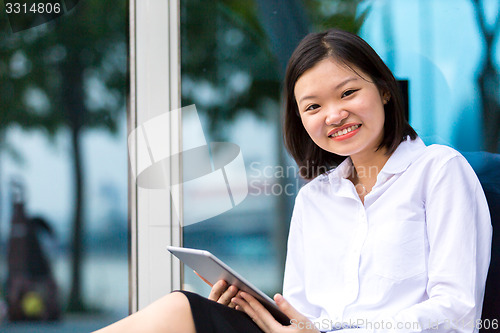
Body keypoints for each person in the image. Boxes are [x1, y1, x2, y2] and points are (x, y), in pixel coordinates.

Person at [95, 29, 492, 333]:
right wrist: (256, 310)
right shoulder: (314, 198)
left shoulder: (439, 170)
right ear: (300, 118)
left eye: (348, 92)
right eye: (314, 106)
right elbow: (301, 312)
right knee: (184, 310)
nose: (334, 115)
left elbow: (456, 312)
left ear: (385, 92)